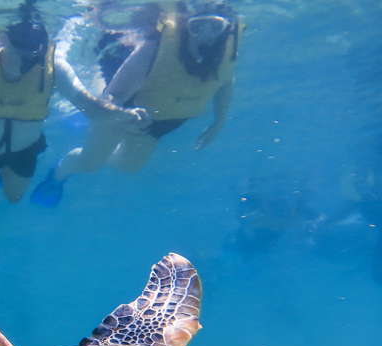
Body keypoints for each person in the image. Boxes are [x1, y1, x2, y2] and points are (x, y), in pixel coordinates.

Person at [0, 15, 148, 264]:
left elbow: (89, 106)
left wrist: (123, 116)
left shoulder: (54, 67)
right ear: (2, 38)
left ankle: (3, 176)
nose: (28, 50)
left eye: (36, 41)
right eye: (20, 40)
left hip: (24, 149)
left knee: (13, 197)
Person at [31, 0, 244, 207]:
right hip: (123, 112)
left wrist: (218, 121)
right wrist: (123, 116)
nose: (205, 36)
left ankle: (95, 149)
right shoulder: (155, 47)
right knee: (89, 164)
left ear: (226, 29)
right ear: (186, 26)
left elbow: (224, 80)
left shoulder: (226, 53)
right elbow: (114, 95)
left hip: (158, 123)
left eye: (215, 27)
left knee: (128, 166)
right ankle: (58, 174)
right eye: (196, 27)